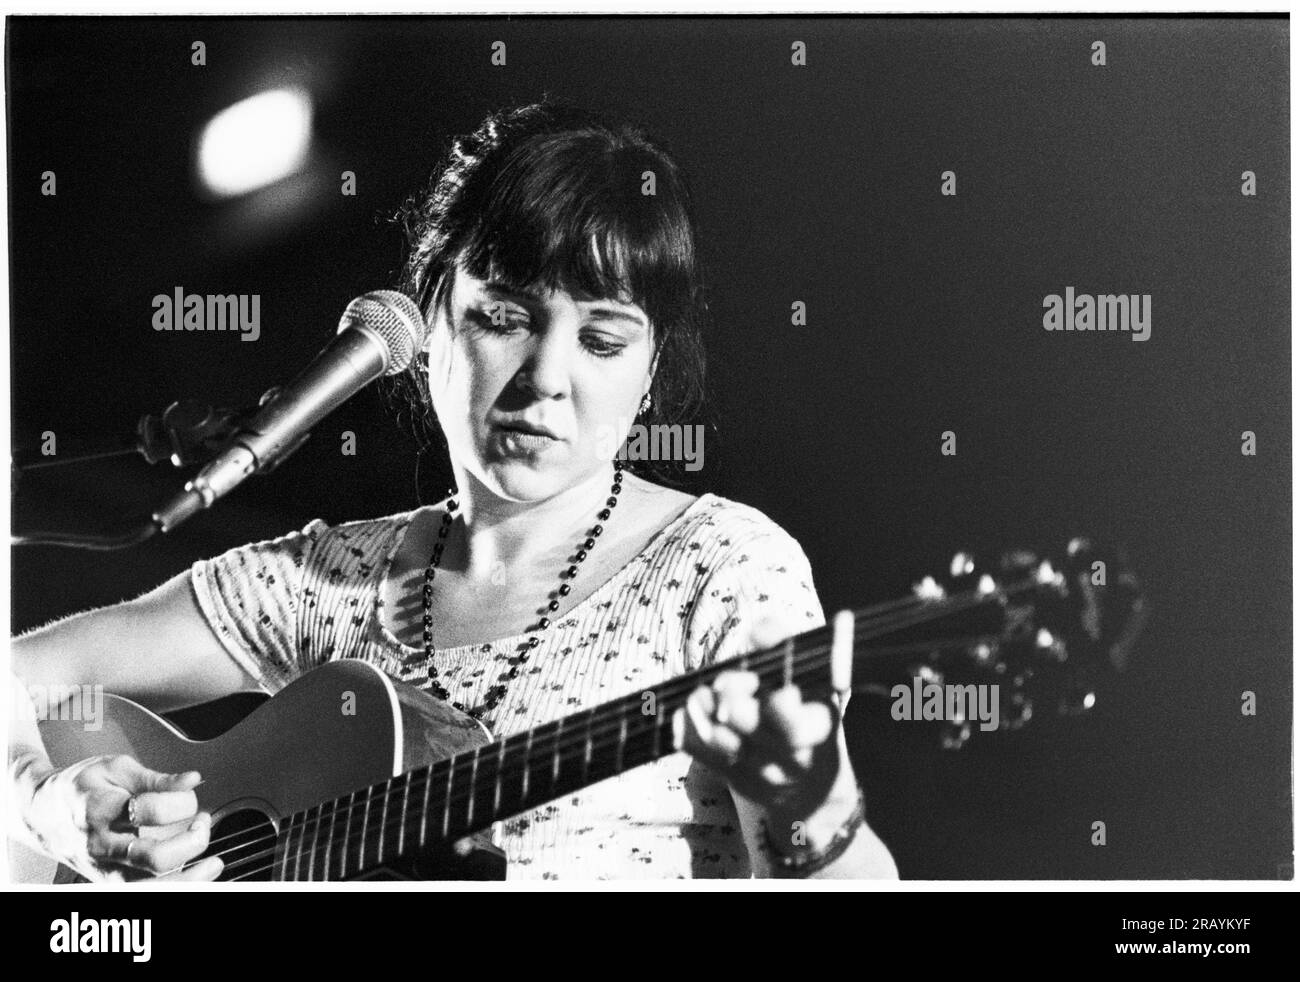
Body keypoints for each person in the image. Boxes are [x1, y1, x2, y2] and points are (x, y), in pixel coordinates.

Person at [9, 99, 898, 881]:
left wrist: (815, 802)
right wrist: (47, 805)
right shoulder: (326, 579)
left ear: (652, 370)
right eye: (504, 317)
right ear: (427, 316)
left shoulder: (726, 571)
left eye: (601, 340)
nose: (546, 377)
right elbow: (17, 680)